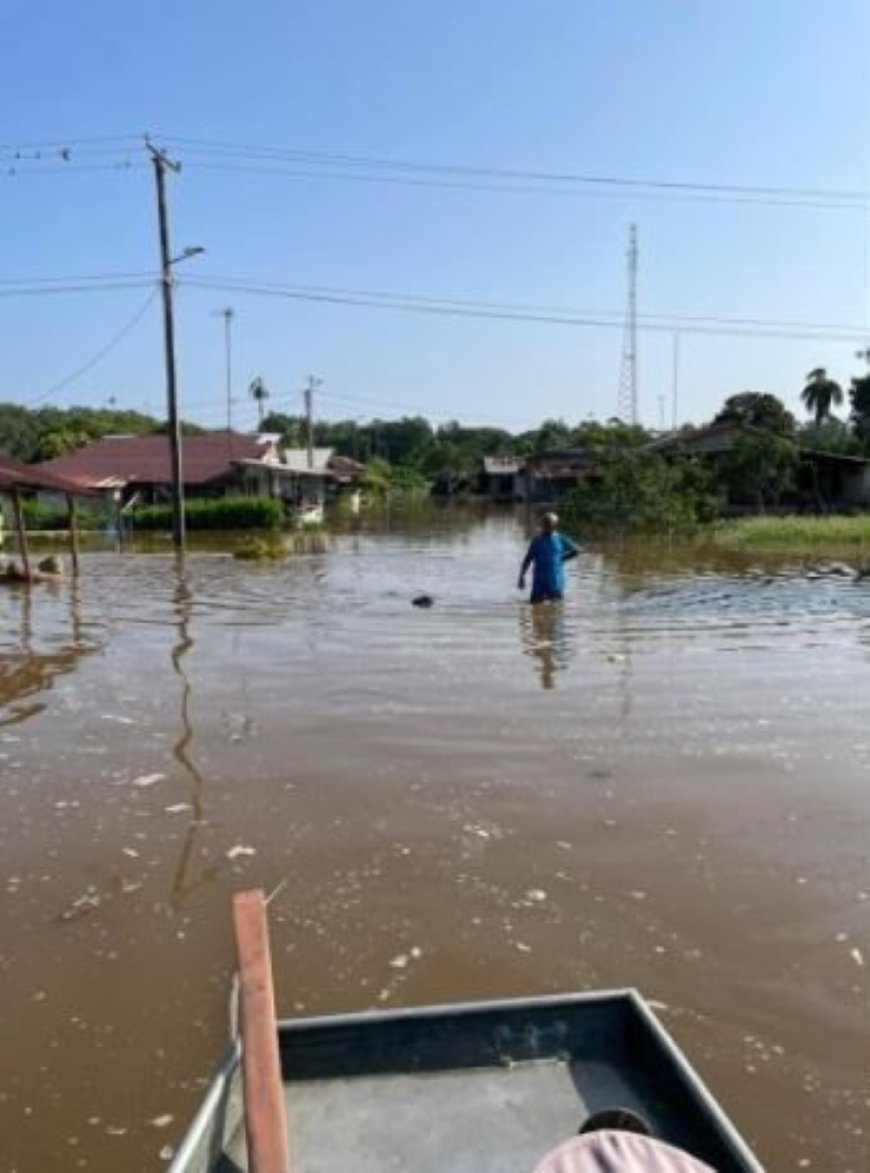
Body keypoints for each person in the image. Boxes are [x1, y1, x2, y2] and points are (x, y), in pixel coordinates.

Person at [518, 512, 580, 604]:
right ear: (542, 525)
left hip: (555, 580)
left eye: (549, 526)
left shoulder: (560, 539)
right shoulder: (536, 540)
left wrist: (561, 559)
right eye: (545, 525)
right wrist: (521, 576)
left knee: (556, 607)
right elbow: (528, 559)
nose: (546, 529)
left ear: (554, 527)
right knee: (534, 605)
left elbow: (576, 550)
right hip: (539, 581)